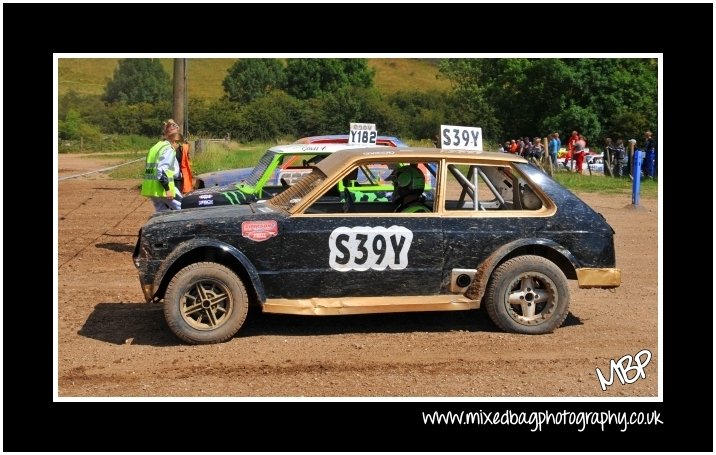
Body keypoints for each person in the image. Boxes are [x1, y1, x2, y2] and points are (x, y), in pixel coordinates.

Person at [141, 119, 183, 212]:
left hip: (152, 188)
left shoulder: (156, 147)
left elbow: (150, 168)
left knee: (161, 214)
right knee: (183, 209)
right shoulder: (168, 149)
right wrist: (167, 189)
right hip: (163, 188)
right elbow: (161, 169)